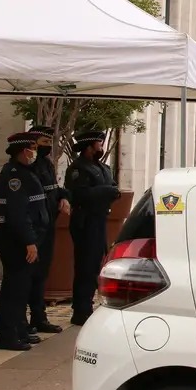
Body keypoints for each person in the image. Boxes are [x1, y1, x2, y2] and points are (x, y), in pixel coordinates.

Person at [0, 132, 49, 351]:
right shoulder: (14, 176)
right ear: (22, 151)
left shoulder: (26, 172)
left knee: (21, 287)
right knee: (14, 289)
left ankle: (19, 330)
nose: (34, 153)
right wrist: (29, 241)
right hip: (15, 239)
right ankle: (7, 335)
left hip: (23, 238)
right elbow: (17, 213)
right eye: (31, 149)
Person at [65, 130, 120, 326]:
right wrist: (105, 191)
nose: (101, 147)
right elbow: (80, 194)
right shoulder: (78, 169)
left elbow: (113, 188)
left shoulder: (102, 168)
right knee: (85, 266)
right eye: (98, 144)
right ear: (89, 147)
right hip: (85, 221)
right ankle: (81, 310)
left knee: (97, 264)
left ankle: (88, 305)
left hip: (99, 219)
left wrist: (108, 191)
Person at [25, 125, 69, 335]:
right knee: (29, 275)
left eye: (49, 143)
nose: (48, 147)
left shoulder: (46, 163)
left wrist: (64, 197)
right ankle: (23, 320)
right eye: (43, 143)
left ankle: (38, 317)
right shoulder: (29, 166)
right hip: (35, 227)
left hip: (48, 223)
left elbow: (54, 188)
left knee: (42, 274)